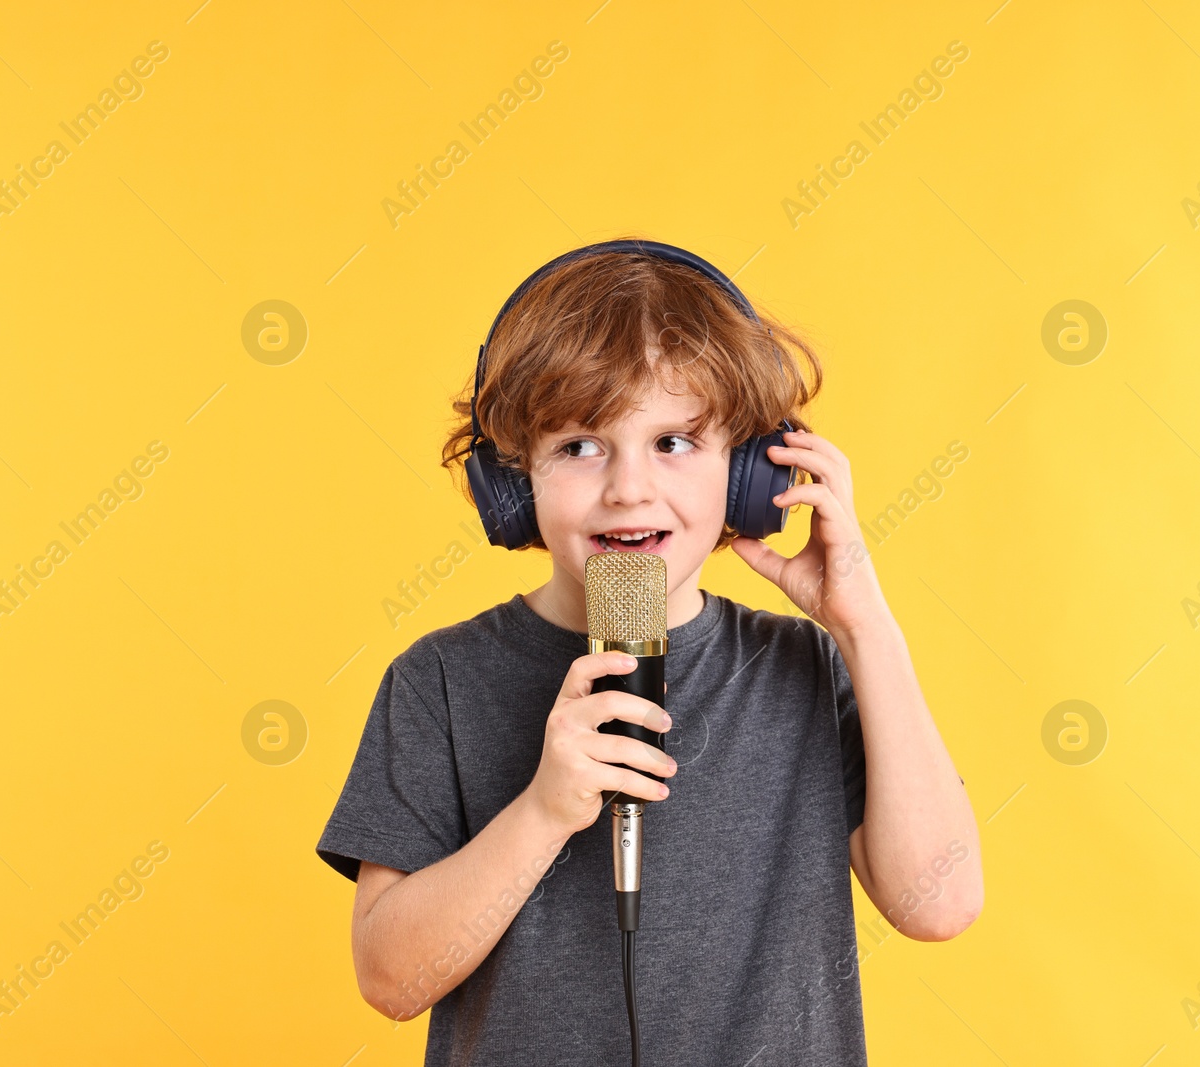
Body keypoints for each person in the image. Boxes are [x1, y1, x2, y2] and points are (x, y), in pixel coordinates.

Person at [315, 239, 982, 1065]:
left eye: (674, 443)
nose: (629, 487)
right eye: (579, 446)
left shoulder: (806, 668)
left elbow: (940, 901)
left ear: (748, 475)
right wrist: (545, 810)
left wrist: (863, 627)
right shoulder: (440, 681)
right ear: (513, 481)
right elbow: (390, 979)